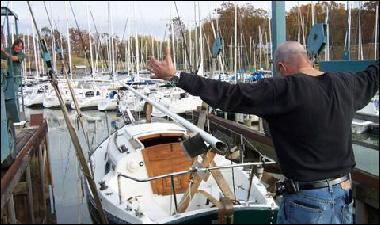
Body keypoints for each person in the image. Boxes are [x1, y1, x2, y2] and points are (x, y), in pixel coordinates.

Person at [148, 41, 379, 224]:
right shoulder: (347, 84)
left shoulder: (285, 88)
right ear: (307, 59)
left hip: (308, 203)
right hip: (344, 195)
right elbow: (373, 75)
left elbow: (229, 94)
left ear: (281, 68)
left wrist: (176, 76)